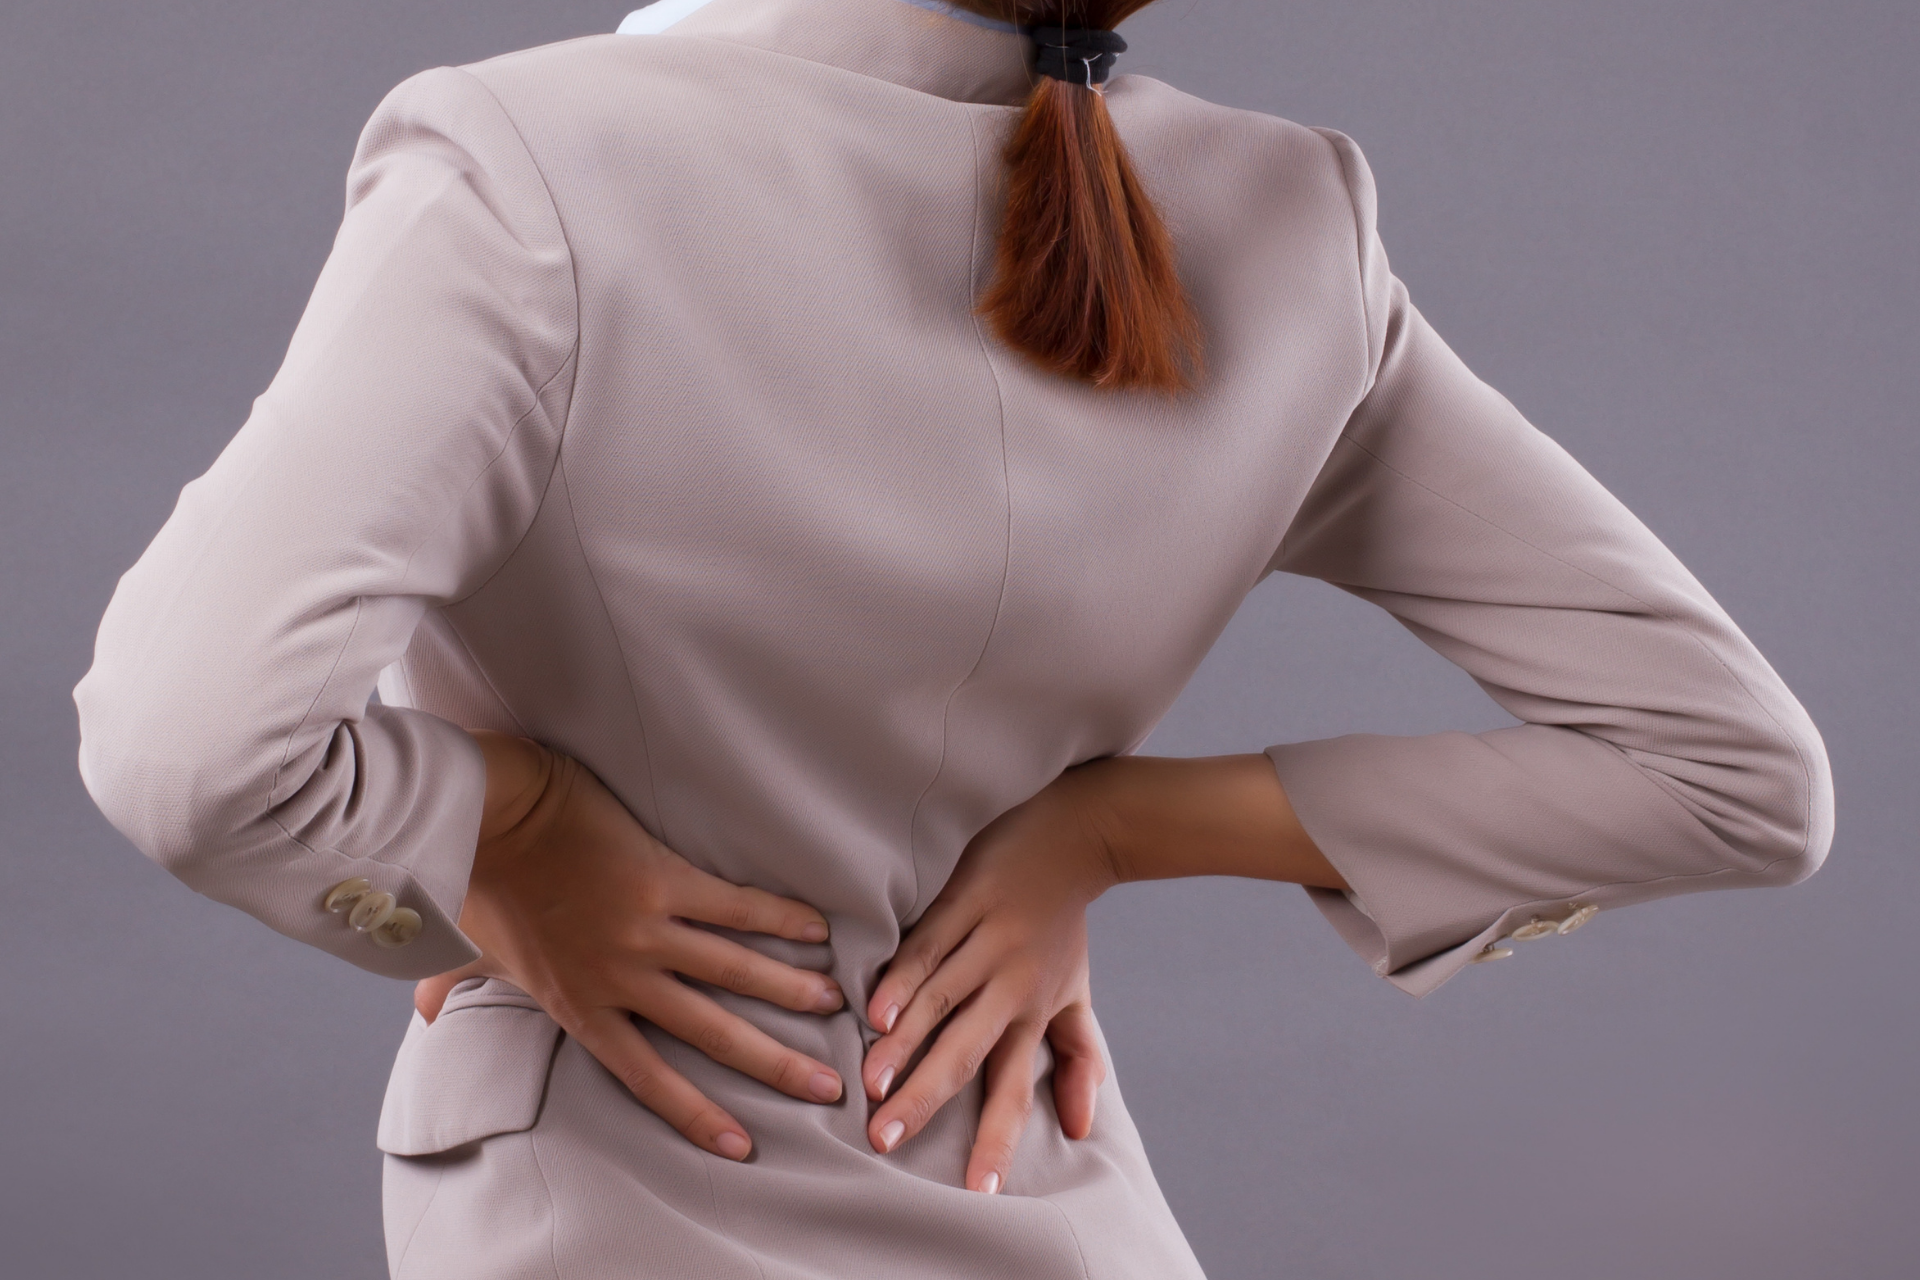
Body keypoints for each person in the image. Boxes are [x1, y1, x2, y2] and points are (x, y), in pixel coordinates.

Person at [71, 0, 1834, 1275]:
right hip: (1024, 1171)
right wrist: (1108, 829)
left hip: (614, 1180)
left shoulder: (533, 168)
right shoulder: (1296, 227)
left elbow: (187, 743)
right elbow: (1738, 779)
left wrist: (505, 829)